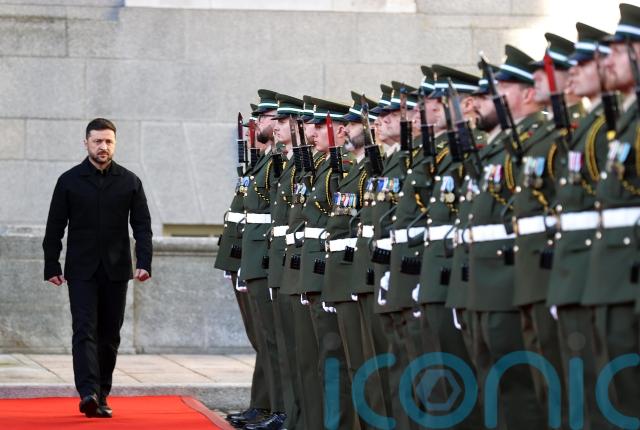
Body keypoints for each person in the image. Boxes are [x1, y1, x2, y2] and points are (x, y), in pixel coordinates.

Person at [43, 118, 153, 418]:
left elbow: (142, 226)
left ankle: (102, 394)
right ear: (86, 143)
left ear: (114, 144)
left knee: (110, 335)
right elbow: (55, 226)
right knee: (84, 330)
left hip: (117, 270)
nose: (103, 146)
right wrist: (51, 263)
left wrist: (144, 262)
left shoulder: (130, 181)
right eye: (97, 141)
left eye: (108, 141)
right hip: (80, 269)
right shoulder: (69, 181)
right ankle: (88, 393)